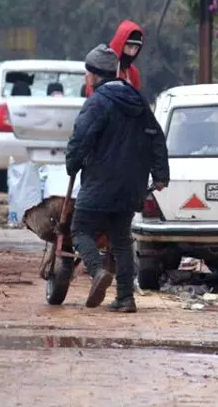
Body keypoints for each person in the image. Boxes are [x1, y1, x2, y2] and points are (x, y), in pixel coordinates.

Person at [65, 44, 169, 312]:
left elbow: (81, 137)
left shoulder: (97, 102)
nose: (87, 79)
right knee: (121, 238)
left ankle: (97, 272)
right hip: (132, 184)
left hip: (101, 182)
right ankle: (125, 298)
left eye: (88, 74)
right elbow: (156, 137)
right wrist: (160, 174)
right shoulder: (137, 99)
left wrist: (72, 163)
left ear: (94, 76)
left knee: (80, 229)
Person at [83, 20, 145, 98]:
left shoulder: (133, 73)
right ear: (120, 43)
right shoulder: (101, 65)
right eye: (129, 47)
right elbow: (92, 94)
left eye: (136, 48)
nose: (132, 52)